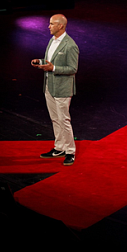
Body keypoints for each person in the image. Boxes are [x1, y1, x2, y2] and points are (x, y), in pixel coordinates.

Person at [31, 14, 79, 166]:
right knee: (55, 119)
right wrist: (41, 62)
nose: (48, 26)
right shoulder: (52, 40)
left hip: (62, 88)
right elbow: (51, 62)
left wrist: (54, 68)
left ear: (61, 26)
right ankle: (59, 148)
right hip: (49, 85)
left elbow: (73, 68)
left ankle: (70, 151)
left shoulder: (70, 45)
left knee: (64, 120)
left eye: (52, 24)